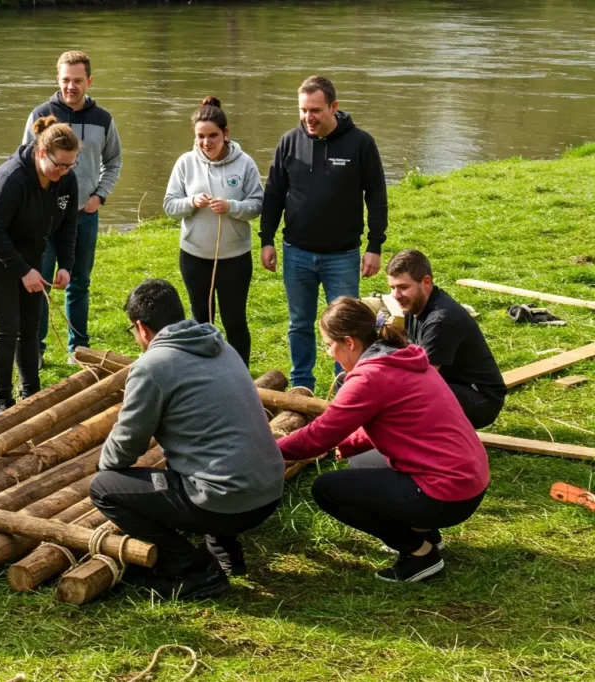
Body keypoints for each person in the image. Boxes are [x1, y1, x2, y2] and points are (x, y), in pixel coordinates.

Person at [89, 279, 284, 599]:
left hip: (228, 500)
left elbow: (127, 445)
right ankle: (227, 555)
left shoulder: (153, 366)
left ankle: (197, 572)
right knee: (206, 459)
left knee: (105, 489)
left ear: (141, 328)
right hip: (267, 490)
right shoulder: (220, 345)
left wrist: (106, 470)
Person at [277, 297, 489, 582]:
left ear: (349, 342)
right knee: (364, 461)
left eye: (328, 344)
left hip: (447, 492)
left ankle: (419, 553)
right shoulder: (401, 356)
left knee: (327, 489)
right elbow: (398, 419)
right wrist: (353, 442)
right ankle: (424, 531)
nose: (329, 353)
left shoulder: (369, 378)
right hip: (470, 480)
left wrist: (269, 450)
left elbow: (318, 438)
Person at [259, 75, 389, 390]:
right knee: (299, 324)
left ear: (333, 107)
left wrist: (374, 245)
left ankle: (346, 385)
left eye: (315, 110)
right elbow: (274, 193)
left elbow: (376, 195)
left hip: (342, 255)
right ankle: (301, 385)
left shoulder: (360, 143)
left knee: (346, 327)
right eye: (303, 110)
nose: (308, 118)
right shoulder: (289, 141)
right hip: (297, 252)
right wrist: (266, 239)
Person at [0, 116, 78, 414]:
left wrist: (66, 264)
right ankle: (3, 402)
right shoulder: (11, 177)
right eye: (59, 165)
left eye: (71, 165)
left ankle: (31, 392)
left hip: (28, 250)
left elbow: (68, 226)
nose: (64, 172)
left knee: (30, 326)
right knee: (7, 327)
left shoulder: (66, 179)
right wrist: (23, 271)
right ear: (42, 153)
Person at [25, 50, 123, 364]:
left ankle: (78, 349)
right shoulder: (40, 114)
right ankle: (35, 348)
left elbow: (114, 161)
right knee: (41, 282)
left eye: (77, 80)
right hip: (44, 218)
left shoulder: (103, 119)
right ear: (58, 80)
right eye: (65, 80)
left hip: (84, 215)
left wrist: (100, 196)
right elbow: (26, 161)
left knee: (79, 281)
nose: (71, 86)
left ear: (89, 81)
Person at [164, 96, 264, 367]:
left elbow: (257, 204)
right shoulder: (185, 163)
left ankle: (240, 372)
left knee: (234, 320)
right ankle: (205, 375)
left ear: (226, 133)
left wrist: (231, 206)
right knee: (201, 319)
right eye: (200, 136)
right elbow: (170, 206)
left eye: (213, 136)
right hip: (195, 256)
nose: (206, 142)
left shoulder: (245, 164)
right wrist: (191, 203)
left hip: (234, 257)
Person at [386, 249, 506, 429]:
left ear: (426, 282)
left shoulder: (442, 320)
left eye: (403, 287)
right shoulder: (415, 305)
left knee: (411, 396)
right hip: (453, 385)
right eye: (392, 288)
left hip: (482, 399)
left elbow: (420, 378)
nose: (396, 295)